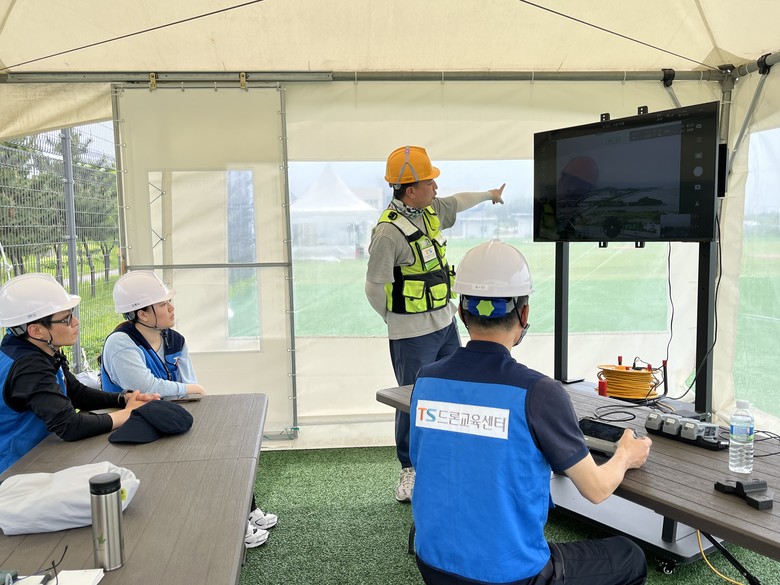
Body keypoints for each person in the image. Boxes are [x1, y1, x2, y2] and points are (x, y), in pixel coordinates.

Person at [409, 239, 651, 585]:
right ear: (524, 314)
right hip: (511, 577)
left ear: (461, 312)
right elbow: (596, 490)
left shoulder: (426, 380)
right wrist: (626, 454)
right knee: (629, 556)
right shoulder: (539, 393)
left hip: (432, 564)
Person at [365, 145, 505, 502]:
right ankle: (409, 469)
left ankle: (447, 460)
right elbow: (374, 286)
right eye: (429, 182)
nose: (436, 187)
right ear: (410, 190)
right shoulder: (387, 233)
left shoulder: (429, 211)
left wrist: (490, 194)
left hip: (445, 324)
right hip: (411, 333)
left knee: (452, 391)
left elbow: (458, 201)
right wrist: (393, 320)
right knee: (412, 399)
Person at [99, 270, 277, 548]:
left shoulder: (175, 340)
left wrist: (190, 390)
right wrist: (190, 389)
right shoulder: (120, 343)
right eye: (162, 304)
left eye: (168, 301)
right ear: (141, 314)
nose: (171, 308)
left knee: (227, 445)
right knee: (206, 457)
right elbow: (144, 388)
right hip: (133, 428)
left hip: (168, 416)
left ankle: (244, 509)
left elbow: (189, 387)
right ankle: (232, 524)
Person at [0, 273, 159, 474]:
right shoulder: (29, 366)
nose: (76, 322)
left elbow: (75, 393)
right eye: (66, 319)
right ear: (36, 330)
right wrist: (128, 413)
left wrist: (123, 399)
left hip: (39, 456)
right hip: (16, 470)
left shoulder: (32, 348)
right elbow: (69, 426)